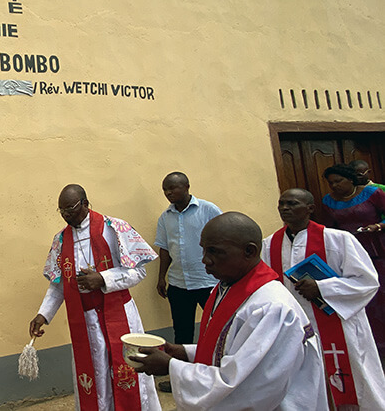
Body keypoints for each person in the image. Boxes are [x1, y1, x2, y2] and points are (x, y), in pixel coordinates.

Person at [131, 212, 328, 410]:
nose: (205, 260)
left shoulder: (270, 307)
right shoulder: (229, 287)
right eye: (204, 250)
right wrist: (185, 352)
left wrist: (170, 367)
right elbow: (235, 349)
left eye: (215, 252)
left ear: (249, 251)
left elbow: (246, 388)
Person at [29, 184, 161, 411]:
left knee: (129, 373)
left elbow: (139, 271)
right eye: (62, 211)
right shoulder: (61, 240)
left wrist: (103, 279)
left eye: (70, 209)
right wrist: (43, 315)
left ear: (85, 203)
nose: (66, 215)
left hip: (120, 315)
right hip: (86, 320)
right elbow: (58, 285)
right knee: (96, 377)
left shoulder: (114, 229)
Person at [260, 188, 385, 409]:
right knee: (303, 384)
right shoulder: (269, 245)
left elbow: (367, 281)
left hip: (338, 325)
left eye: (292, 203)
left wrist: (322, 288)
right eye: (281, 204)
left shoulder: (338, 240)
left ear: (310, 208)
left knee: (352, 378)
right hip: (295, 328)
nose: (285, 208)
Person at [153, 172, 221, 392]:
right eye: (165, 189)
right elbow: (164, 249)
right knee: (182, 333)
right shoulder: (165, 217)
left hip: (208, 282)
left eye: (172, 188)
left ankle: (217, 377)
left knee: (216, 330)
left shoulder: (207, 210)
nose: (168, 193)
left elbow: (224, 238)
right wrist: (161, 277)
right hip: (179, 284)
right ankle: (180, 380)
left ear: (187, 186)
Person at [322, 163, 385, 358]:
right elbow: (329, 228)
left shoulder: (372, 193)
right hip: (350, 255)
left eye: (338, 181)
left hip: (378, 251)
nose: (334, 186)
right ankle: (374, 345)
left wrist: (378, 226)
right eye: (331, 182)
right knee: (366, 301)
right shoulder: (329, 201)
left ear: (350, 179)